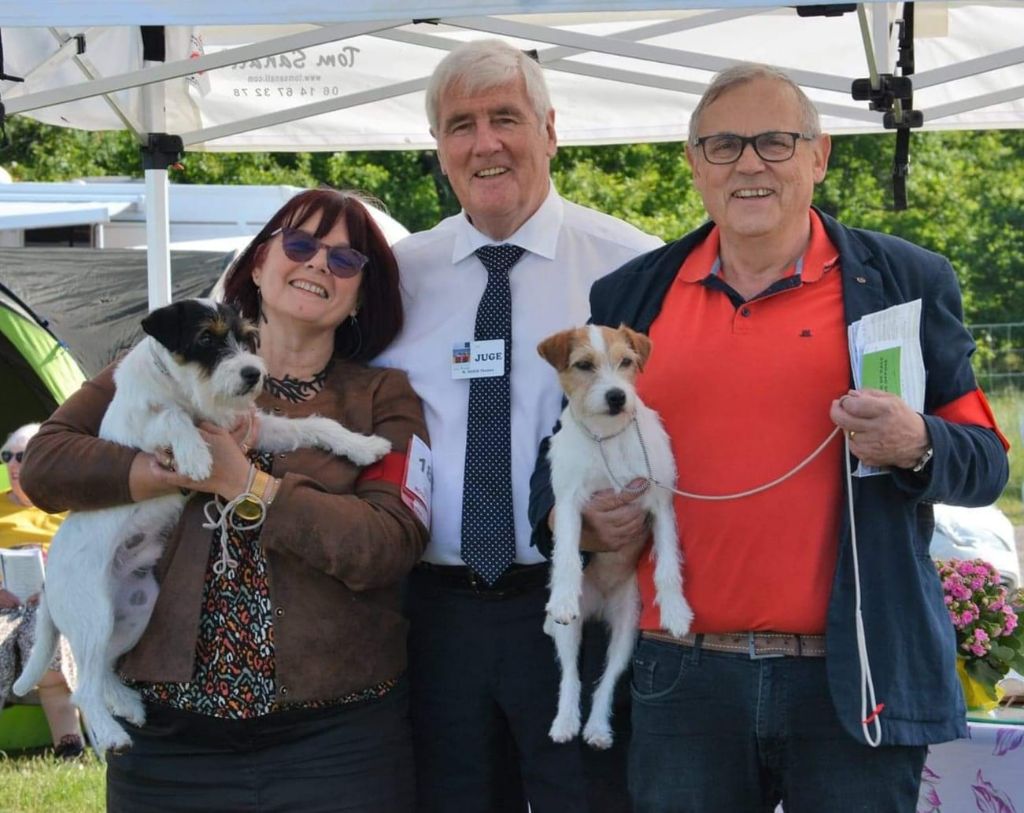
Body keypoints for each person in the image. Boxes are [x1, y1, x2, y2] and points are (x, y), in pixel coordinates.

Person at [530, 63, 1010, 813]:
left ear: (819, 157)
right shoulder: (631, 296)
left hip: (849, 674)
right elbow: (560, 449)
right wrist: (573, 517)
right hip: (678, 676)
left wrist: (917, 441)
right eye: (722, 145)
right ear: (693, 165)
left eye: (775, 142)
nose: (749, 163)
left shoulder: (905, 281)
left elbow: (984, 461)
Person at [21, 188, 429, 812]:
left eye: (345, 262)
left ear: (360, 297)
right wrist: (163, 471)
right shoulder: (160, 363)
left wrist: (249, 484)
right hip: (170, 744)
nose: (319, 264)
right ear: (259, 264)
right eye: (300, 245)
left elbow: (387, 544)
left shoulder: (381, 397)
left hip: (337, 743)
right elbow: (46, 466)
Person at [376, 39, 661, 813]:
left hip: (583, 602)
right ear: (439, 148)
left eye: (506, 118)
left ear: (550, 129)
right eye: (460, 125)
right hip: (435, 618)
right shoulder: (396, 279)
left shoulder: (632, 270)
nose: (485, 142)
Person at [0, 423, 84, 759]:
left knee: (45, 644)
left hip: (52, 602)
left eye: (23, 456)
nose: (14, 465)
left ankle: (69, 746)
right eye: (8, 456)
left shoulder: (67, 509)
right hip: (3, 603)